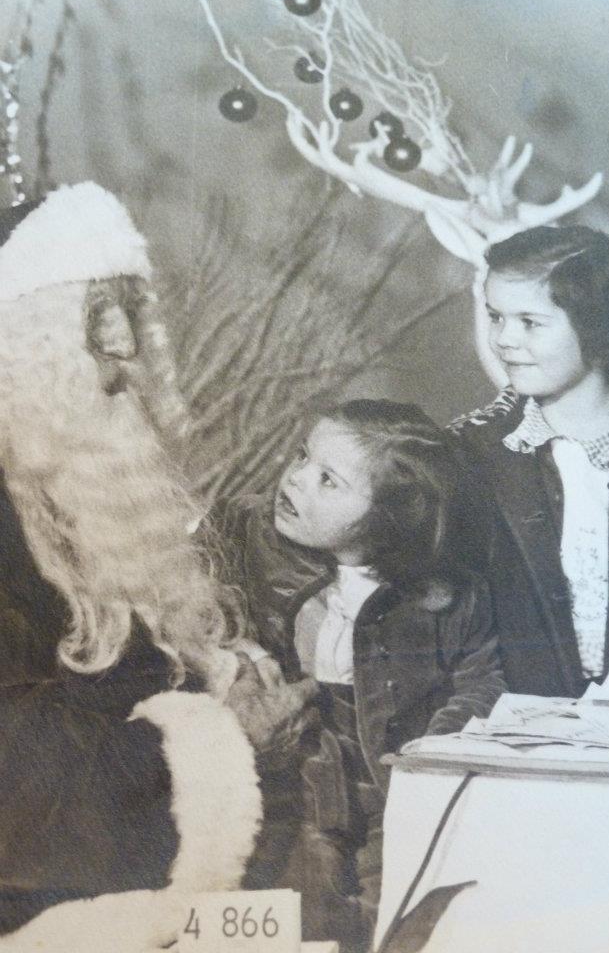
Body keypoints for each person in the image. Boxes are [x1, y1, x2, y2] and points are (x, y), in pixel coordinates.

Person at [0, 183, 263, 944]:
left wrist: (215, 673)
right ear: (31, 343)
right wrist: (212, 737)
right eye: (93, 316)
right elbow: (19, 771)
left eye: (127, 310)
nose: (123, 343)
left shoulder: (61, 485)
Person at [215, 398, 505, 952]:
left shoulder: (446, 596)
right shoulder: (243, 535)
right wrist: (235, 650)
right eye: (302, 457)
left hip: (389, 784)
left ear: (387, 520)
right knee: (296, 906)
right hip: (290, 779)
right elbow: (185, 595)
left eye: (328, 480)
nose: (296, 480)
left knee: (392, 912)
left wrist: (431, 751)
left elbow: (482, 679)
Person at [449, 224, 609, 698]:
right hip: (520, 724)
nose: (504, 340)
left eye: (529, 322)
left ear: (596, 327)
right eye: (496, 317)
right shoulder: (471, 453)